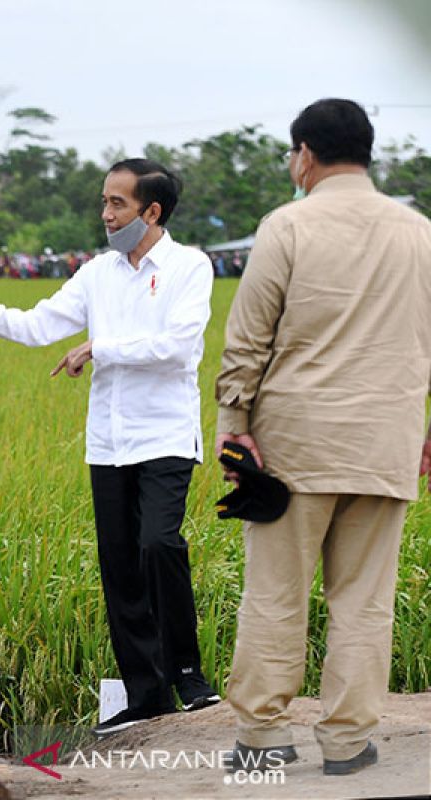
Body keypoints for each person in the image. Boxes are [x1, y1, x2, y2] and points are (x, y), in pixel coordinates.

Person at [0, 158, 219, 736]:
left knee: (158, 544)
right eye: (105, 202)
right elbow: (39, 324)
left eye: (118, 204)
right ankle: (146, 695)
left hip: (163, 434)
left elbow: (177, 346)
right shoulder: (98, 273)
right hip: (109, 442)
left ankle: (189, 676)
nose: (105, 214)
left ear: (151, 211)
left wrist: (100, 348)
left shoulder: (190, 266)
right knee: (119, 566)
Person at [214, 98, 431, 776]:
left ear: (304, 154)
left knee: (276, 593)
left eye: (291, 155)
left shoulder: (287, 226)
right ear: (367, 153)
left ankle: (262, 738)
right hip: (386, 442)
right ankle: (347, 743)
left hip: (293, 448)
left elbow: (247, 340)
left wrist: (232, 430)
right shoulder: (421, 232)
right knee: (364, 600)